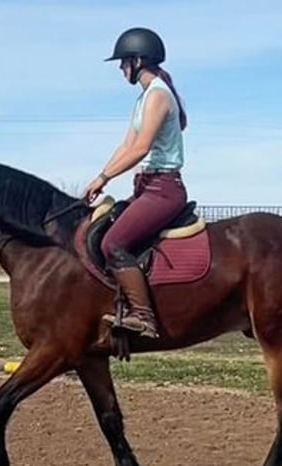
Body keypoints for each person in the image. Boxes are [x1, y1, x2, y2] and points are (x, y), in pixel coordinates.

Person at [82, 27, 189, 339]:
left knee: (113, 243)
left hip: (164, 188)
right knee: (101, 229)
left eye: (124, 61)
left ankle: (144, 318)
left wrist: (105, 177)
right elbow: (126, 146)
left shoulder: (158, 95)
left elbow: (141, 148)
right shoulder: (144, 98)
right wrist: (100, 178)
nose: (121, 68)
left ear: (139, 60)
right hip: (146, 187)